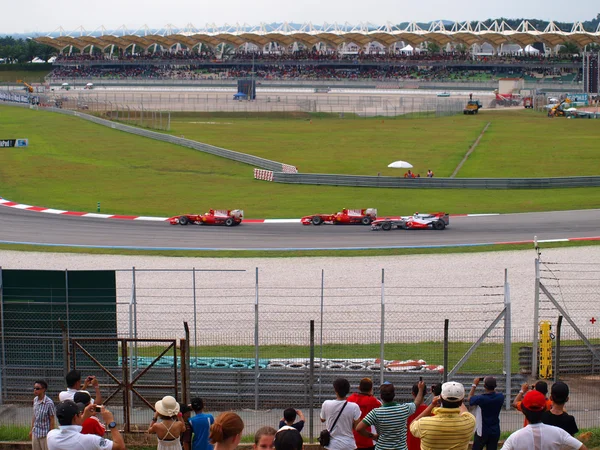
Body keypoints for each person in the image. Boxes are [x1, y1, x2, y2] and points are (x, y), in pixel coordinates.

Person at [502, 390, 587, 450]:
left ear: (523, 410)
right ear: (545, 408)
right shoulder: (559, 433)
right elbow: (582, 447)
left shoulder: (514, 438)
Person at [357, 380, 425, 450]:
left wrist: (373, 436)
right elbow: (417, 402)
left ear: (381, 396)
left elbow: (359, 428)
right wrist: (420, 389)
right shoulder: (404, 409)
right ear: (394, 395)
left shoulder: (376, 413)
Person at [409, 381, 475, 450]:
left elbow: (413, 424)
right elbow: (464, 411)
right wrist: (458, 397)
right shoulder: (470, 421)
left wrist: (432, 405)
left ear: (441, 398)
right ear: (461, 401)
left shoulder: (423, 423)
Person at [47, 401, 125, 450]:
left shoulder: (51, 436)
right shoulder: (91, 440)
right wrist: (110, 421)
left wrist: (84, 416)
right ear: (75, 417)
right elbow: (120, 447)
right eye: (79, 414)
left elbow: (73, 426)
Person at [320, 378, 361, 450]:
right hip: (349, 444)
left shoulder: (326, 403)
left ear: (335, 390)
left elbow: (322, 419)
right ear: (348, 390)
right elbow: (357, 427)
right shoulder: (354, 406)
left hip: (331, 445)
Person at [467, 376, 504, 450]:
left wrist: (474, 385)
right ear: (495, 386)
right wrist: (491, 380)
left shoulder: (481, 398)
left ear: (484, 386)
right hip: (495, 430)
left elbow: (470, 399)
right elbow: (494, 394)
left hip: (482, 431)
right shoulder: (500, 397)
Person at [348, 377, 382, 450]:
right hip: (370, 439)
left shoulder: (350, 399)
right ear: (371, 389)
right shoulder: (375, 402)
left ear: (359, 387)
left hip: (353, 438)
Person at [30, 380, 56, 450]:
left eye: (37, 388)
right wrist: (31, 430)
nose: (35, 390)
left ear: (44, 389)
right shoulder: (35, 400)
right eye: (34, 388)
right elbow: (34, 416)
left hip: (45, 434)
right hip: (36, 433)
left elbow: (52, 419)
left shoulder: (49, 403)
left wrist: (51, 434)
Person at [406, 381, 428, 450]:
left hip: (409, 446)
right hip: (424, 446)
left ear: (412, 393)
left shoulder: (407, 410)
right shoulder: (430, 411)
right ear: (426, 393)